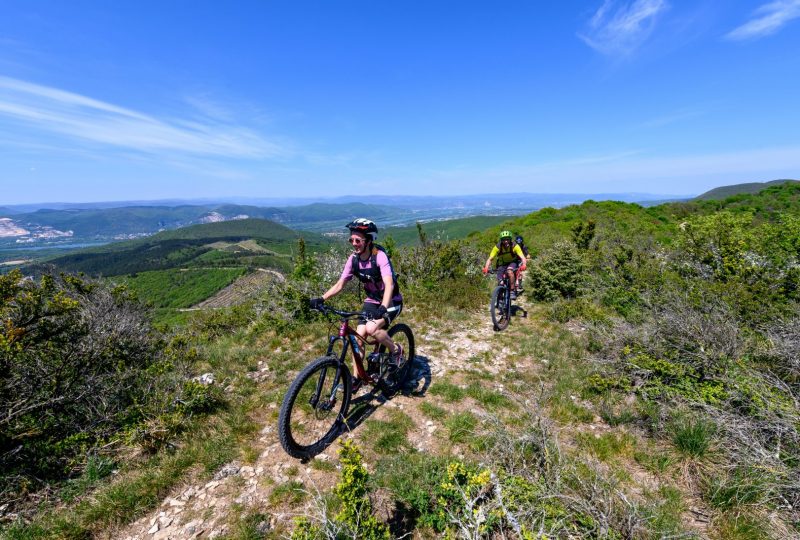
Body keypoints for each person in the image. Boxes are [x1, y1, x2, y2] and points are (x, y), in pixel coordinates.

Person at [309, 218, 404, 385]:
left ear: (368, 241)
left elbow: (389, 284)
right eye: (351, 240)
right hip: (372, 300)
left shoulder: (379, 256)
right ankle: (356, 378)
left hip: (391, 301)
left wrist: (383, 307)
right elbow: (340, 284)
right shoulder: (353, 259)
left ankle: (396, 350)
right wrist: (322, 298)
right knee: (358, 338)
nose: (354, 243)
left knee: (371, 328)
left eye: (358, 240)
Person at [482, 230, 527, 299]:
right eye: (504, 239)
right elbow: (490, 259)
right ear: (501, 240)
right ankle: (500, 295)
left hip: (512, 263)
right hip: (501, 264)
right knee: (500, 280)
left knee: (510, 271)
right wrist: (486, 268)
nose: (506, 241)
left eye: (507, 239)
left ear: (510, 239)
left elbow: (522, 257)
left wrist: (524, 264)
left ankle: (512, 291)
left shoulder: (515, 246)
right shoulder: (497, 247)